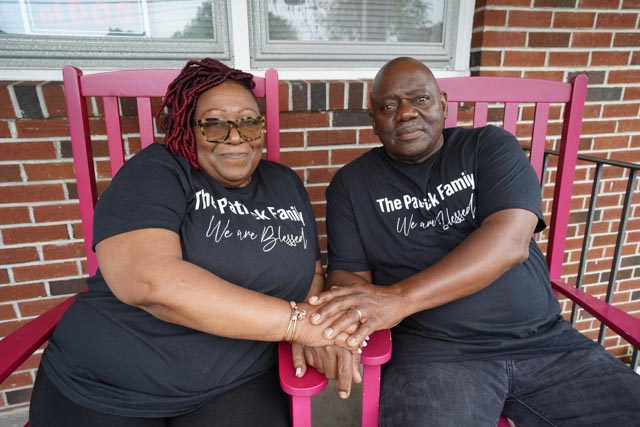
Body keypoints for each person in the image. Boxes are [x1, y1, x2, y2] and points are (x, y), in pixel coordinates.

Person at [306, 56, 640, 426]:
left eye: (420, 99)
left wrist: (399, 299)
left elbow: (511, 241)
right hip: (433, 357)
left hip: (545, 343)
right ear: (374, 121)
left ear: (444, 104)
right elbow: (349, 275)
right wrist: (340, 322)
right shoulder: (352, 185)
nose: (406, 113)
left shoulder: (489, 146)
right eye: (388, 107)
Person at [28, 58, 358, 427]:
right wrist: (296, 324)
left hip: (234, 382)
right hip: (106, 385)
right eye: (214, 124)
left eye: (249, 122)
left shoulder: (285, 183)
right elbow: (149, 281)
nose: (235, 137)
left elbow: (311, 271)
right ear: (188, 128)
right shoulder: (156, 171)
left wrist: (316, 324)